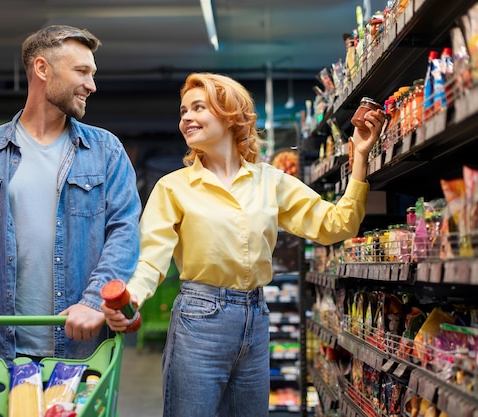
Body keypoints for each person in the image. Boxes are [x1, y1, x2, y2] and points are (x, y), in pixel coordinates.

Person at [101, 72, 385, 416]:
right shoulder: (173, 187)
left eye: (198, 108)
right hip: (199, 319)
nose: (186, 117)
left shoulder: (271, 181)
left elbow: (336, 225)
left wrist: (360, 158)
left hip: (256, 317)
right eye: (183, 111)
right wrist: (132, 297)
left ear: (230, 115)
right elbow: (151, 258)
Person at [0, 25, 141, 362]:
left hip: (80, 350)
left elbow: (125, 234)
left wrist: (92, 302)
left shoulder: (105, 150)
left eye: (93, 73)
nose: (92, 85)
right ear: (42, 68)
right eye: (82, 72)